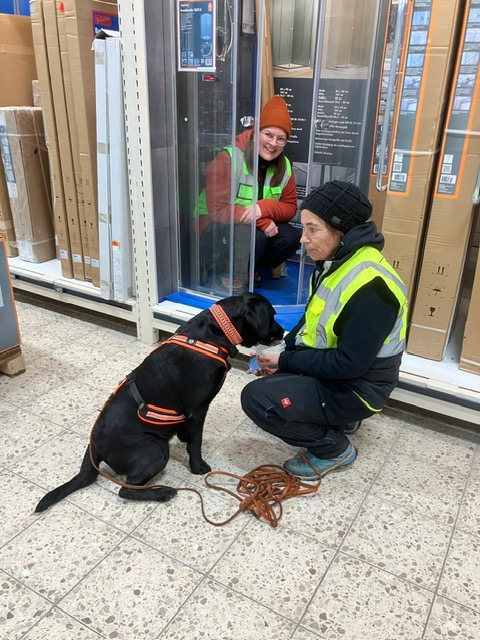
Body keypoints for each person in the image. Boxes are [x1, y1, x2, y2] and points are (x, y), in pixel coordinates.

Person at [241, 180, 408, 480]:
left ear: (341, 230)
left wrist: (286, 361)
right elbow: (311, 321)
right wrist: (282, 353)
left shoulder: (372, 287)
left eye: (312, 229)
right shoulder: (336, 262)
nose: (303, 238)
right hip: (344, 375)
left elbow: (349, 363)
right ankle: (338, 418)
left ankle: (333, 448)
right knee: (276, 380)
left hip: (360, 388)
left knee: (257, 399)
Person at [196, 95, 301, 293]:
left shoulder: (285, 166)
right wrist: (261, 220)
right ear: (255, 133)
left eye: (281, 139)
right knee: (256, 237)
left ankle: (250, 268)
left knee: (290, 237)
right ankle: (227, 273)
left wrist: (264, 208)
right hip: (212, 226)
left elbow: (290, 208)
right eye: (268, 134)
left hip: (247, 225)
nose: (273, 143)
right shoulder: (228, 157)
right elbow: (217, 210)